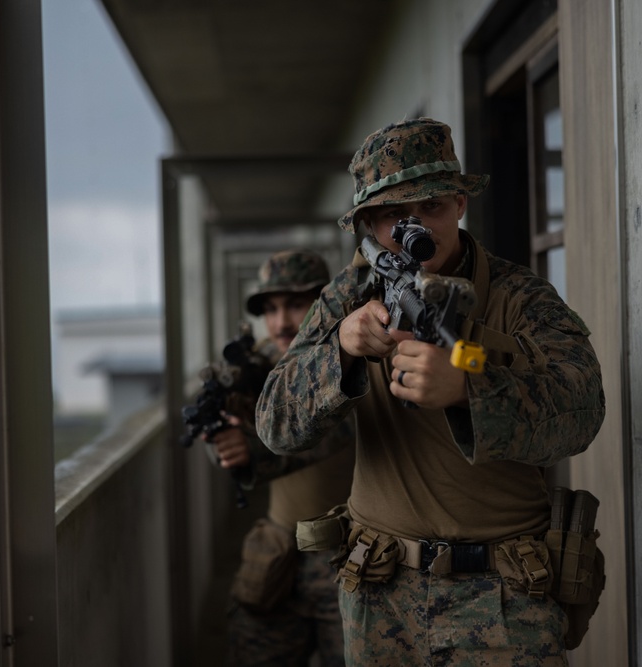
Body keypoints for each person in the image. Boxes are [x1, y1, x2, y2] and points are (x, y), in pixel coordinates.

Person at [255, 117, 606, 666]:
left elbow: (582, 409)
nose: (416, 228)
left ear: (460, 204)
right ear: (368, 224)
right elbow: (274, 425)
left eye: (433, 207)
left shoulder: (521, 297)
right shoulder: (345, 298)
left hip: (504, 599)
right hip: (379, 593)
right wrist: (339, 354)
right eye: (394, 216)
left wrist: (471, 390)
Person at [205, 249, 356, 667]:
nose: (279, 322)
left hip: (348, 556)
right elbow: (225, 449)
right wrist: (223, 436)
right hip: (279, 549)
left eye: (294, 304)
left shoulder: (351, 363)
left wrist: (253, 448)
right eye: (270, 309)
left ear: (324, 302)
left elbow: (328, 435)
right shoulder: (268, 369)